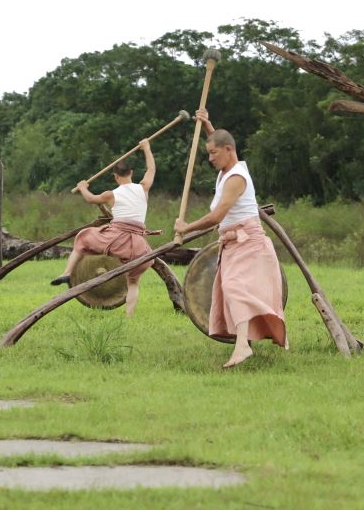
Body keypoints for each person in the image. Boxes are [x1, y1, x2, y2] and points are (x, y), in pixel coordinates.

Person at [175, 109, 286, 368]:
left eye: (213, 153)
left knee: (236, 288)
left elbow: (216, 217)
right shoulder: (227, 168)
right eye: (208, 153)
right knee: (230, 289)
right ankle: (242, 345)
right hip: (233, 243)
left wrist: (186, 227)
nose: (210, 158)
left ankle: (242, 347)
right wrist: (206, 123)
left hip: (249, 242)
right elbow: (219, 139)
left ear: (227, 150)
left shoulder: (236, 178)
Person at [51, 139, 157, 318]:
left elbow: (91, 199)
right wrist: (147, 148)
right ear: (131, 172)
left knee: (83, 237)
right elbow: (151, 169)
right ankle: (129, 317)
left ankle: (68, 272)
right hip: (138, 246)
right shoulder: (143, 188)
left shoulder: (111, 194)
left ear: (115, 176)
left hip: (115, 240)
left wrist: (83, 187)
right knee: (133, 282)